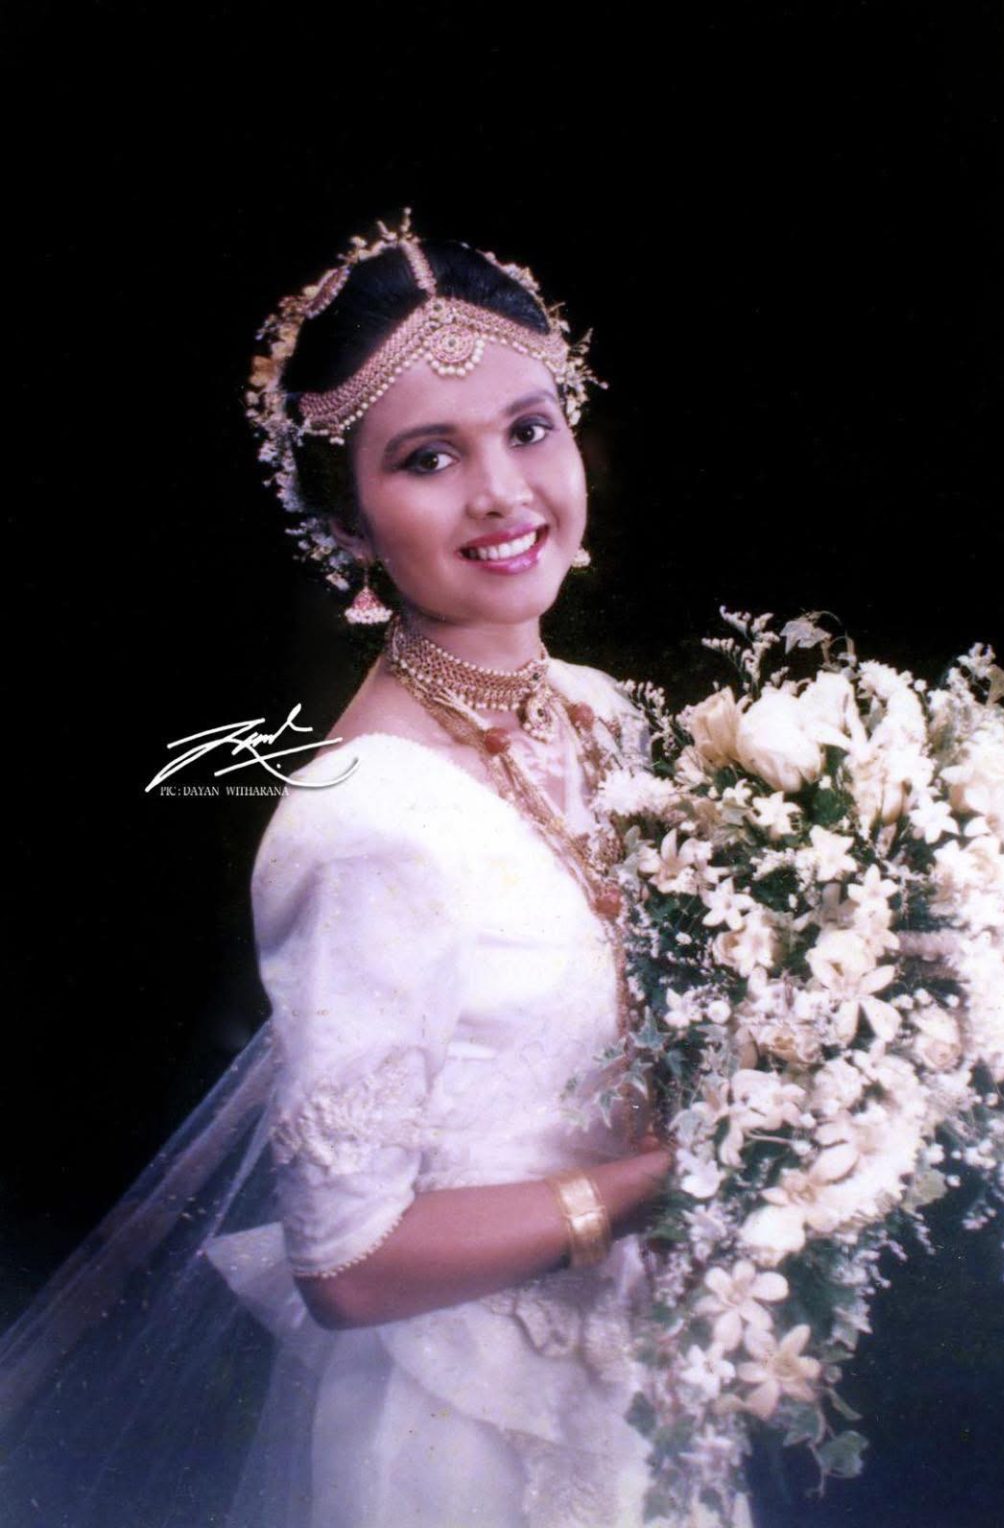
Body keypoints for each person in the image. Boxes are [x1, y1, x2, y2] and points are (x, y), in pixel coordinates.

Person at [0, 207, 691, 1528]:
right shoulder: (365, 821)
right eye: (429, 457)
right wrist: (662, 1183)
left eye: (529, 429)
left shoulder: (607, 717)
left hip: (640, 1375)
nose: (502, 493)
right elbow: (348, 1263)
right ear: (349, 518)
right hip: (461, 1431)